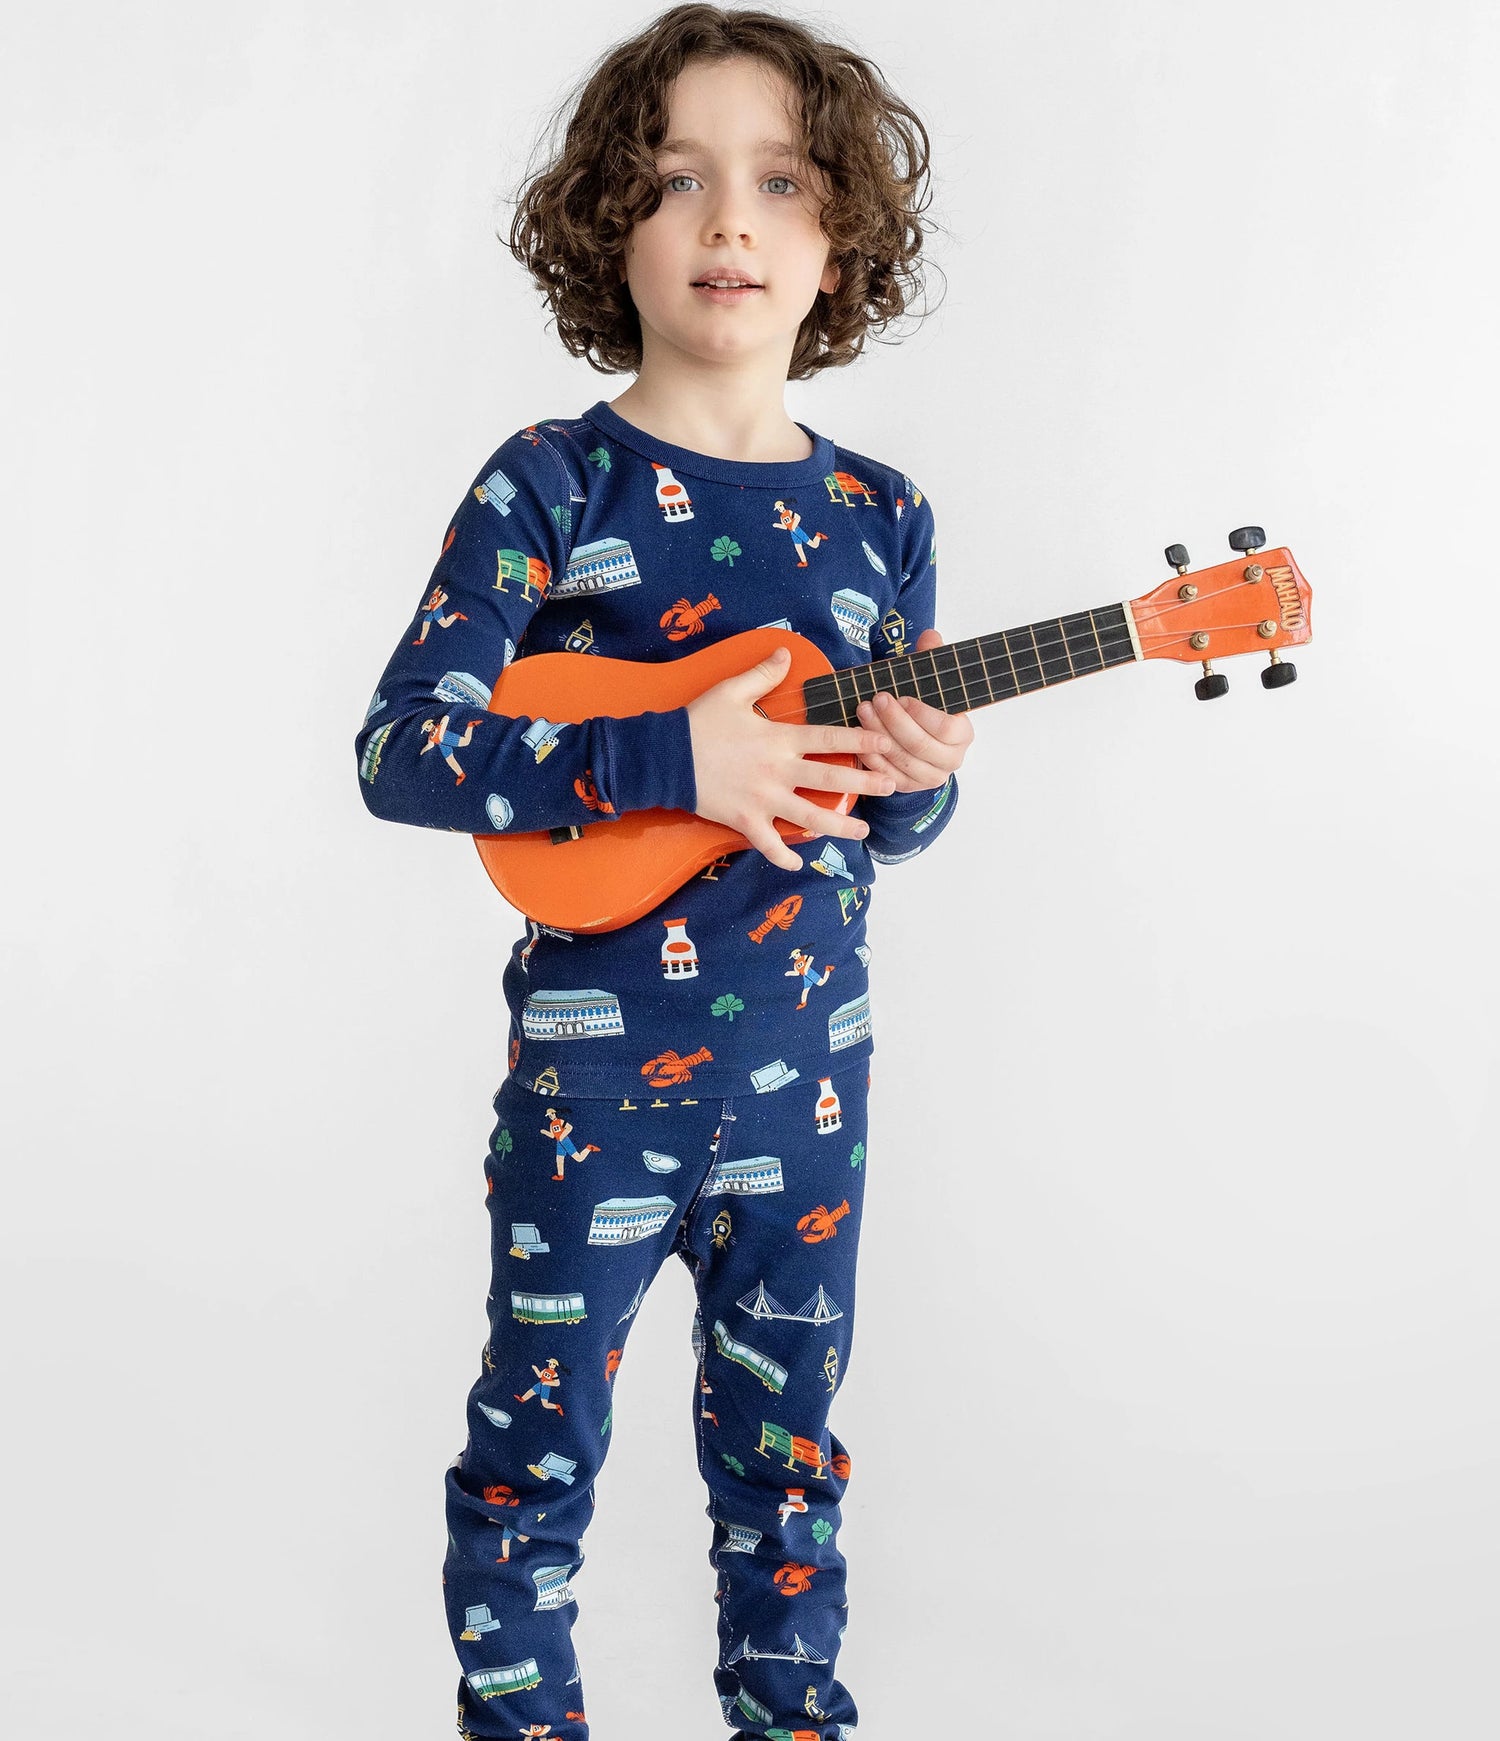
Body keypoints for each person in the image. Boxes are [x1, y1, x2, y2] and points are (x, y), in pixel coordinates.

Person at [353, 8, 973, 1737]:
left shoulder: (884, 511)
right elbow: (405, 748)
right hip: (593, 1089)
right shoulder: (551, 482)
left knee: (789, 1473)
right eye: (679, 180)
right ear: (606, 224)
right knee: (533, 1453)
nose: (730, 222)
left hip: (811, 1099)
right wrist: (666, 755)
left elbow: (879, 819)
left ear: (838, 236)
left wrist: (914, 785)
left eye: (780, 181)